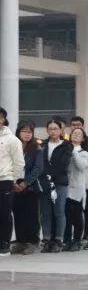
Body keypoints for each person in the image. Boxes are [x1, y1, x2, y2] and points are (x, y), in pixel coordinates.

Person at [11, 121, 45, 255]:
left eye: (30, 132)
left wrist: (25, 183)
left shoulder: (37, 148)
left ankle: (33, 242)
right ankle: (21, 241)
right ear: (18, 132)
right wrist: (14, 182)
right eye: (24, 131)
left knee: (31, 215)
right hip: (14, 184)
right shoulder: (13, 146)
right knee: (18, 214)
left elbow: (38, 168)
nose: (27, 134)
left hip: (31, 185)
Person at [40, 118, 71, 253]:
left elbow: (63, 164)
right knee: (45, 212)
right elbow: (40, 163)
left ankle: (59, 240)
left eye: (56, 129)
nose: (53, 131)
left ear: (61, 130)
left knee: (59, 211)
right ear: (47, 130)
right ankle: (46, 239)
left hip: (60, 182)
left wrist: (50, 174)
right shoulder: (42, 145)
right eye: (50, 129)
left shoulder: (66, 145)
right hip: (44, 183)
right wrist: (45, 176)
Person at [0, 108, 25, 256]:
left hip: (5, 180)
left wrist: (12, 179)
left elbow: (19, 163)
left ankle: (4, 243)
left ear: (3, 119)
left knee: (4, 213)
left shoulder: (12, 140)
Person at [64, 128, 88, 252]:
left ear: (83, 139)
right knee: (66, 216)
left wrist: (74, 151)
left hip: (77, 188)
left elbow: (80, 166)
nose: (75, 135)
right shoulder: (65, 150)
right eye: (74, 133)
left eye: (79, 134)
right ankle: (67, 240)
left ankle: (77, 240)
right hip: (65, 186)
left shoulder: (84, 153)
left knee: (77, 216)